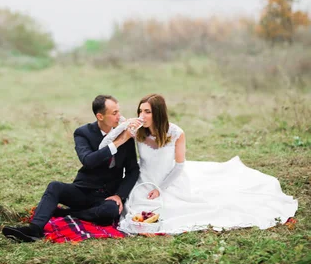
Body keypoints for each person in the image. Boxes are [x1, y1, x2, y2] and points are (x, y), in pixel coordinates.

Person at [99, 94, 298, 234]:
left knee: (177, 210)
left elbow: (178, 166)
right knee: (135, 210)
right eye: (140, 111)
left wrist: (161, 189)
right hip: (145, 179)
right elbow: (104, 145)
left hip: (169, 181)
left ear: (158, 114)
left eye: (147, 112)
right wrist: (125, 126)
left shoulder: (176, 133)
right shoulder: (137, 131)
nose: (142, 116)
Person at [2, 94, 139, 242]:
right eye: (114, 113)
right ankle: (34, 230)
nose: (120, 117)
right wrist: (118, 142)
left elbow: (133, 170)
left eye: (119, 111)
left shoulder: (125, 135)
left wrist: (119, 195)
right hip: (83, 190)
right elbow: (88, 161)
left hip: (106, 197)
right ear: (100, 116)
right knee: (54, 186)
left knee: (110, 211)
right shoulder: (83, 133)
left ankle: (68, 213)